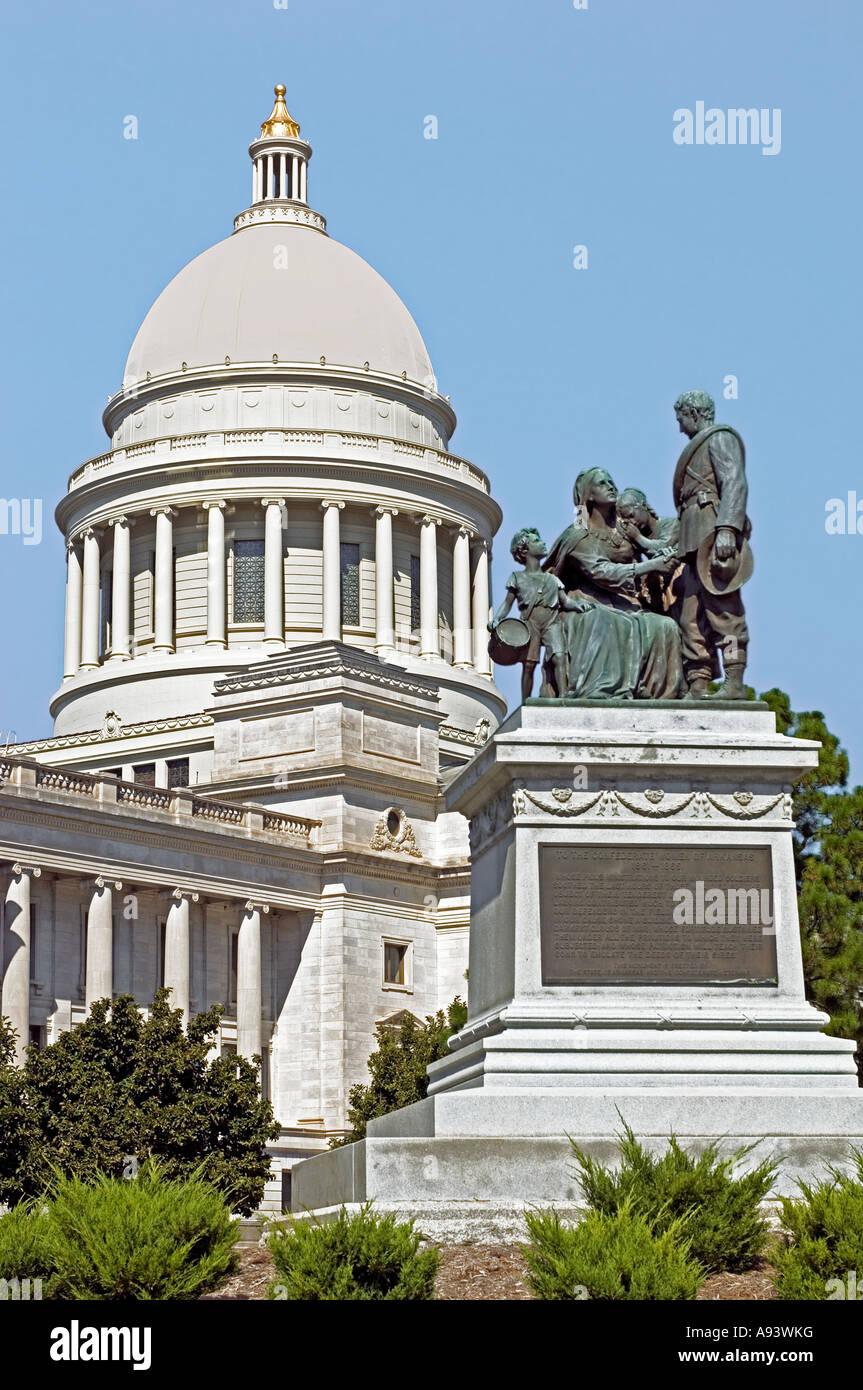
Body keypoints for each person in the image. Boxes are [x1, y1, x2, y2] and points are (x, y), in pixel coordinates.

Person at [544, 468, 685, 699]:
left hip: (625, 602)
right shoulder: (578, 533)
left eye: (611, 481)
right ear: (588, 496)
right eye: (602, 483)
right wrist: (650, 566)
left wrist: (666, 555)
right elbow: (601, 571)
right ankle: (600, 689)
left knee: (665, 626)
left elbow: (652, 546)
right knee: (603, 621)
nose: (611, 486)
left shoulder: (623, 528)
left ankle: (662, 699)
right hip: (586, 602)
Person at [672, 390, 751, 700]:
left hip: (712, 532)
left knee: (723, 609)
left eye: (681, 420)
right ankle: (699, 682)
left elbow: (734, 482)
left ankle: (734, 683)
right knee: (690, 616)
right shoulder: (700, 443)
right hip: (693, 537)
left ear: (694, 413)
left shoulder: (720, 439)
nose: (680, 428)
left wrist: (727, 529)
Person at [490, 527, 588, 700]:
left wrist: (579, 606)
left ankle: (564, 697)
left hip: (552, 622)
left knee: (559, 657)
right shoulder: (517, 577)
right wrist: (497, 619)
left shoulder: (551, 579)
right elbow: (507, 604)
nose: (543, 543)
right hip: (530, 624)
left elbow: (565, 601)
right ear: (524, 550)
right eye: (536, 541)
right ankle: (525, 702)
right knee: (529, 665)